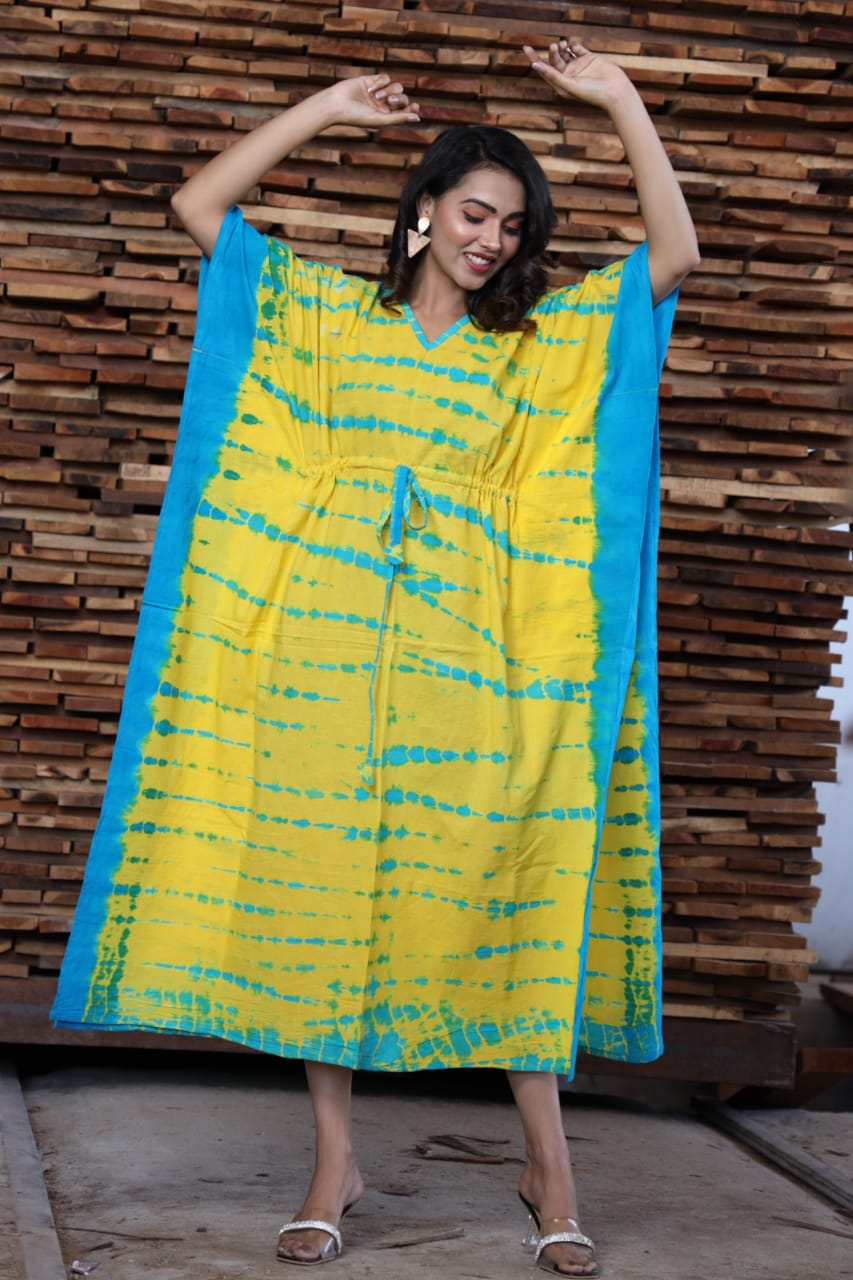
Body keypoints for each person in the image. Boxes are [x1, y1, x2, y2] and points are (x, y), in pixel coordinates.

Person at [52, 37, 699, 1278]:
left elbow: (671, 258)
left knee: (510, 878)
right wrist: (329, 104)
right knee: (325, 895)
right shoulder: (329, 317)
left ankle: (549, 1165)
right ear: (423, 210)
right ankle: (333, 1162)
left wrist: (620, 99)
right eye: (474, 211)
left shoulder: (535, 342)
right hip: (324, 652)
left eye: (512, 224)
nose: (492, 239)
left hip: (478, 667)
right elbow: (199, 205)